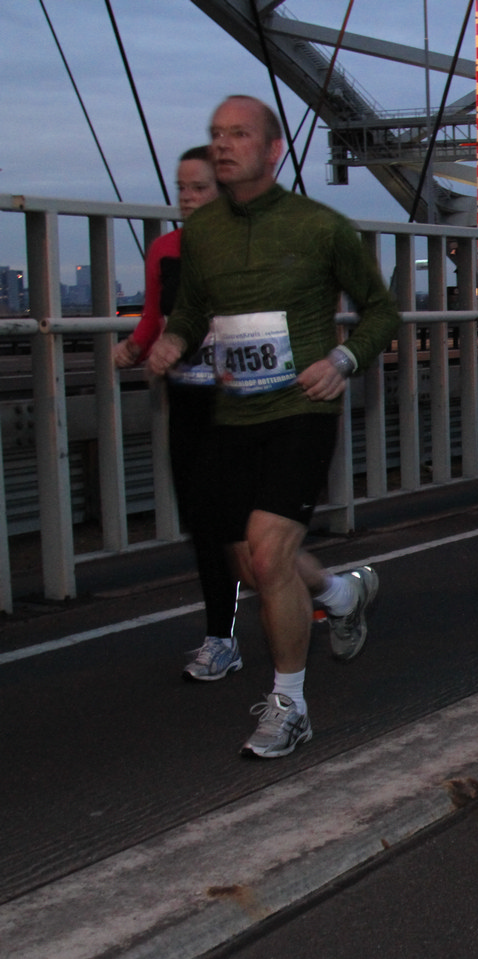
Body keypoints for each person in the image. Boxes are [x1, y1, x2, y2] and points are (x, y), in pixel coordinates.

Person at [148, 95, 399, 758]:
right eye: (216, 134)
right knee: (253, 565)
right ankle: (341, 594)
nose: (222, 145)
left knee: (266, 554)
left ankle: (290, 705)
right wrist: (173, 339)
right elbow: (192, 309)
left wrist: (343, 360)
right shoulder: (203, 232)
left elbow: (381, 311)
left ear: (273, 149)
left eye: (239, 134)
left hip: (301, 410)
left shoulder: (320, 227)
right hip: (233, 415)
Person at [113, 146, 245, 681]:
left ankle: (319, 592)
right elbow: (154, 317)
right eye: (182, 189)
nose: (187, 198)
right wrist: (135, 347)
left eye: (200, 188)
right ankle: (225, 635)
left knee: (238, 529)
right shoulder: (164, 249)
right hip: (186, 399)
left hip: (240, 403)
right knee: (202, 522)